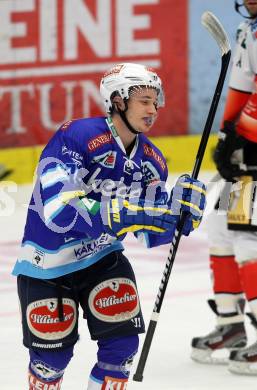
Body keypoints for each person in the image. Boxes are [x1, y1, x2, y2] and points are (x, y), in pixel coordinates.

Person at [12, 62, 206, 389]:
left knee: (121, 349)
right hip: (47, 263)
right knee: (51, 361)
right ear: (118, 100)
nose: (153, 109)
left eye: (155, 101)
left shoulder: (152, 161)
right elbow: (60, 210)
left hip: (103, 259)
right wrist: (127, 211)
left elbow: (151, 231)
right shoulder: (77, 136)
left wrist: (181, 214)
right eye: (144, 100)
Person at [191, 0, 257, 375]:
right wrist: (225, 135)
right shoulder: (250, 30)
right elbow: (241, 84)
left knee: (248, 236)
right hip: (247, 146)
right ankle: (230, 324)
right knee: (220, 227)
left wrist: (241, 137)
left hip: (255, 149)